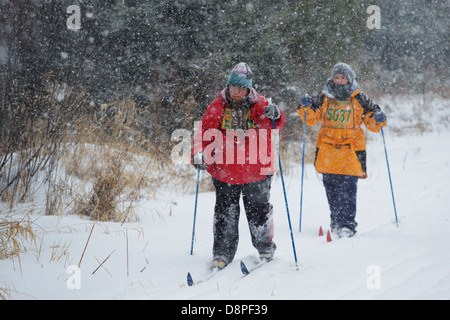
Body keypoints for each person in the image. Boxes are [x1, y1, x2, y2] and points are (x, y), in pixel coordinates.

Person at [192, 62, 285, 269]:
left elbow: (276, 123)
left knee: (259, 212)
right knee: (225, 214)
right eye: (234, 87)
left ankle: (265, 249)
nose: (237, 92)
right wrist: (198, 152)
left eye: (242, 88)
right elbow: (203, 133)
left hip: (256, 170)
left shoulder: (259, 105)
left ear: (248, 89)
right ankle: (222, 254)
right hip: (226, 170)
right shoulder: (217, 106)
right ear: (228, 86)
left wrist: (275, 113)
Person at [297, 62, 386, 237]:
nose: (339, 80)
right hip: (328, 150)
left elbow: (372, 122)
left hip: (351, 151)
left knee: (348, 190)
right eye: (336, 77)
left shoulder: (360, 97)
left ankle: (348, 225)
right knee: (331, 188)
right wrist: (305, 108)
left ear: (349, 79)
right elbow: (311, 119)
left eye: (343, 77)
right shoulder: (323, 96)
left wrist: (377, 118)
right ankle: (336, 222)